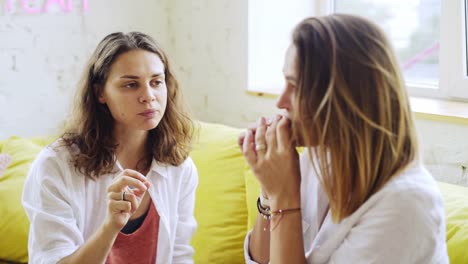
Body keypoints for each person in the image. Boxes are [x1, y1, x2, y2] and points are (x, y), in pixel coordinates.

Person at [240, 14, 448, 263]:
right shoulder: (318, 158)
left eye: (295, 87)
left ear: (344, 100)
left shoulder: (407, 205)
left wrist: (284, 196)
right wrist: (269, 191)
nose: (280, 101)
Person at [22, 32, 198, 264]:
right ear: (100, 93)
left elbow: (179, 256)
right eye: (131, 85)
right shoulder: (55, 165)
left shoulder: (179, 165)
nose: (148, 96)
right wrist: (111, 225)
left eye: (156, 82)